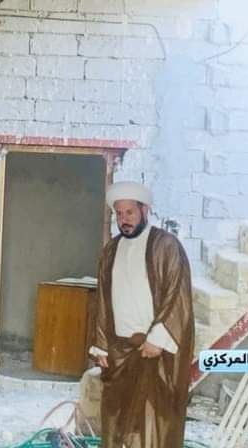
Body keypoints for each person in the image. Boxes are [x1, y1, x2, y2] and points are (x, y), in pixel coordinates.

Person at [88, 181, 195, 448]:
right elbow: (102, 300)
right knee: (116, 423)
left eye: (130, 213)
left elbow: (178, 295)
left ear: (144, 210)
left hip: (154, 352)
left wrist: (159, 338)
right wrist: (101, 344)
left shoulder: (166, 246)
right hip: (120, 352)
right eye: (119, 214)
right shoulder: (110, 251)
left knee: (152, 429)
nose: (124, 220)